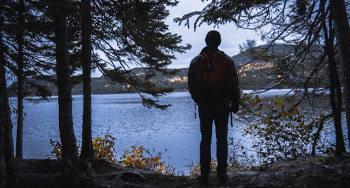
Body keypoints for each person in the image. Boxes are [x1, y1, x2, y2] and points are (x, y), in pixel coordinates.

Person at [188, 30, 241, 183]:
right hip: (222, 106)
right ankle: (222, 173)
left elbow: (191, 85)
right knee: (222, 139)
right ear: (219, 42)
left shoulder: (196, 61)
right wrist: (235, 102)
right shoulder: (227, 60)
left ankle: (204, 174)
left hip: (204, 106)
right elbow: (234, 83)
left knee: (205, 139)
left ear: (206, 41)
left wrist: (198, 100)